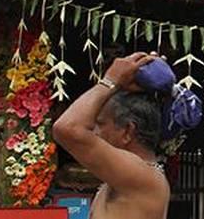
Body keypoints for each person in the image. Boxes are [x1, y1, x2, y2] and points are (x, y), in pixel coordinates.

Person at [53, 52, 169, 219]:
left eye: (100, 124)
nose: (94, 132)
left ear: (128, 131)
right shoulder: (127, 175)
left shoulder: (140, 173)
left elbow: (67, 129)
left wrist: (110, 81)